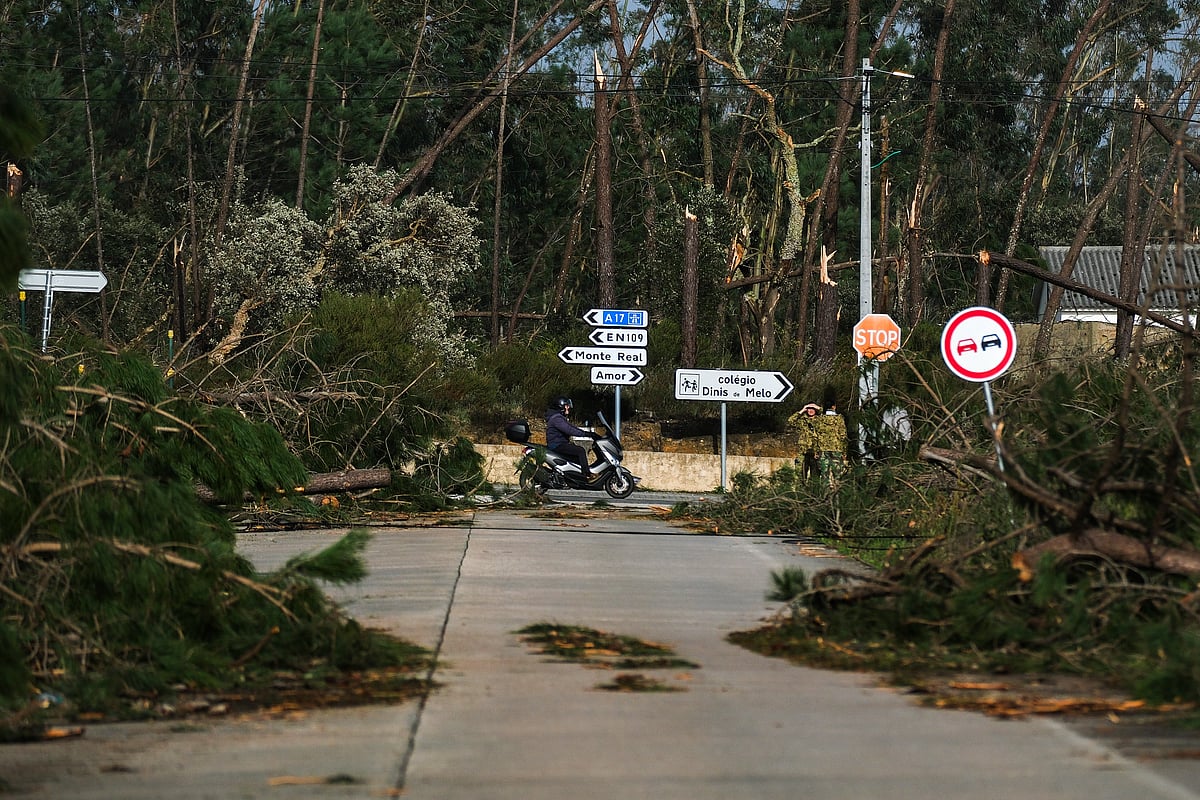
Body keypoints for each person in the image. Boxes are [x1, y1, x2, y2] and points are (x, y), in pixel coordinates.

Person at [545, 397, 596, 475]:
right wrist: (586, 434)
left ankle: (576, 476)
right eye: (566, 405)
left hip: (560, 443)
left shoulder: (559, 417)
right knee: (580, 451)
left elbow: (572, 427)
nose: (568, 407)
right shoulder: (557, 419)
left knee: (576, 457)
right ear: (561, 406)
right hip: (557, 445)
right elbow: (569, 430)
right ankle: (587, 475)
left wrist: (587, 433)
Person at [786, 403, 822, 479]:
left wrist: (818, 408)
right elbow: (790, 421)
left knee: (815, 475)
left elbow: (830, 417)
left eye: (813, 409)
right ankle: (801, 489)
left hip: (816, 451)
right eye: (809, 408)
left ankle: (814, 489)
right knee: (800, 473)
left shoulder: (821, 420)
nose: (811, 410)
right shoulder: (802, 420)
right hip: (803, 451)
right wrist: (802, 410)